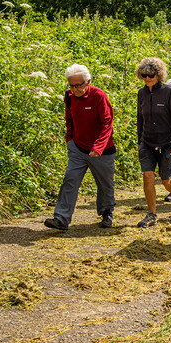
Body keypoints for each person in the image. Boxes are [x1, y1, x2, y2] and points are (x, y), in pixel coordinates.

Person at [45, 64, 117, 231]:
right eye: (71, 85)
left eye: (79, 85)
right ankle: (61, 219)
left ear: (88, 82)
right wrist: (69, 140)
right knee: (70, 180)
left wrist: (98, 147)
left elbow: (107, 123)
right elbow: (69, 119)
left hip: (102, 151)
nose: (75, 89)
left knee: (104, 184)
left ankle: (107, 213)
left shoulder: (99, 96)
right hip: (78, 148)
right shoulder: (69, 97)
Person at [135, 58, 171, 227]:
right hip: (147, 143)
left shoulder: (168, 91)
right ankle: (152, 215)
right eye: (144, 75)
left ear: (159, 75)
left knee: (166, 181)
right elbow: (139, 118)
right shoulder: (141, 93)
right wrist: (139, 141)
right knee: (148, 176)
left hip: (167, 143)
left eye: (150, 75)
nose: (147, 78)